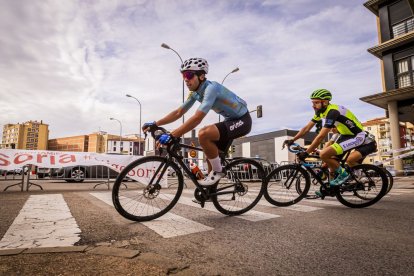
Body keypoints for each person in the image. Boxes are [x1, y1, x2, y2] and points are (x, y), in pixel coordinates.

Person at [142, 57, 251, 186]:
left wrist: (173, 135)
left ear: (201, 76)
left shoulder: (211, 88)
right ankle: (211, 190)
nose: (186, 79)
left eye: (189, 75)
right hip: (230, 121)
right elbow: (179, 112)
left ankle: (218, 171)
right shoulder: (195, 93)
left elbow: (197, 118)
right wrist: (156, 124)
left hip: (242, 120)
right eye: (183, 75)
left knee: (204, 133)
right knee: (210, 153)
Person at [283, 89, 377, 187]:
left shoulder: (332, 112)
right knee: (331, 160)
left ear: (325, 102)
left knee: (324, 154)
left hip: (356, 135)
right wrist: (292, 140)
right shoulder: (320, 112)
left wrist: (307, 153)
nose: (313, 105)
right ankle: (333, 187)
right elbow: (306, 128)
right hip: (345, 135)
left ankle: (344, 175)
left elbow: (321, 136)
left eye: (316, 102)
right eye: (312, 102)